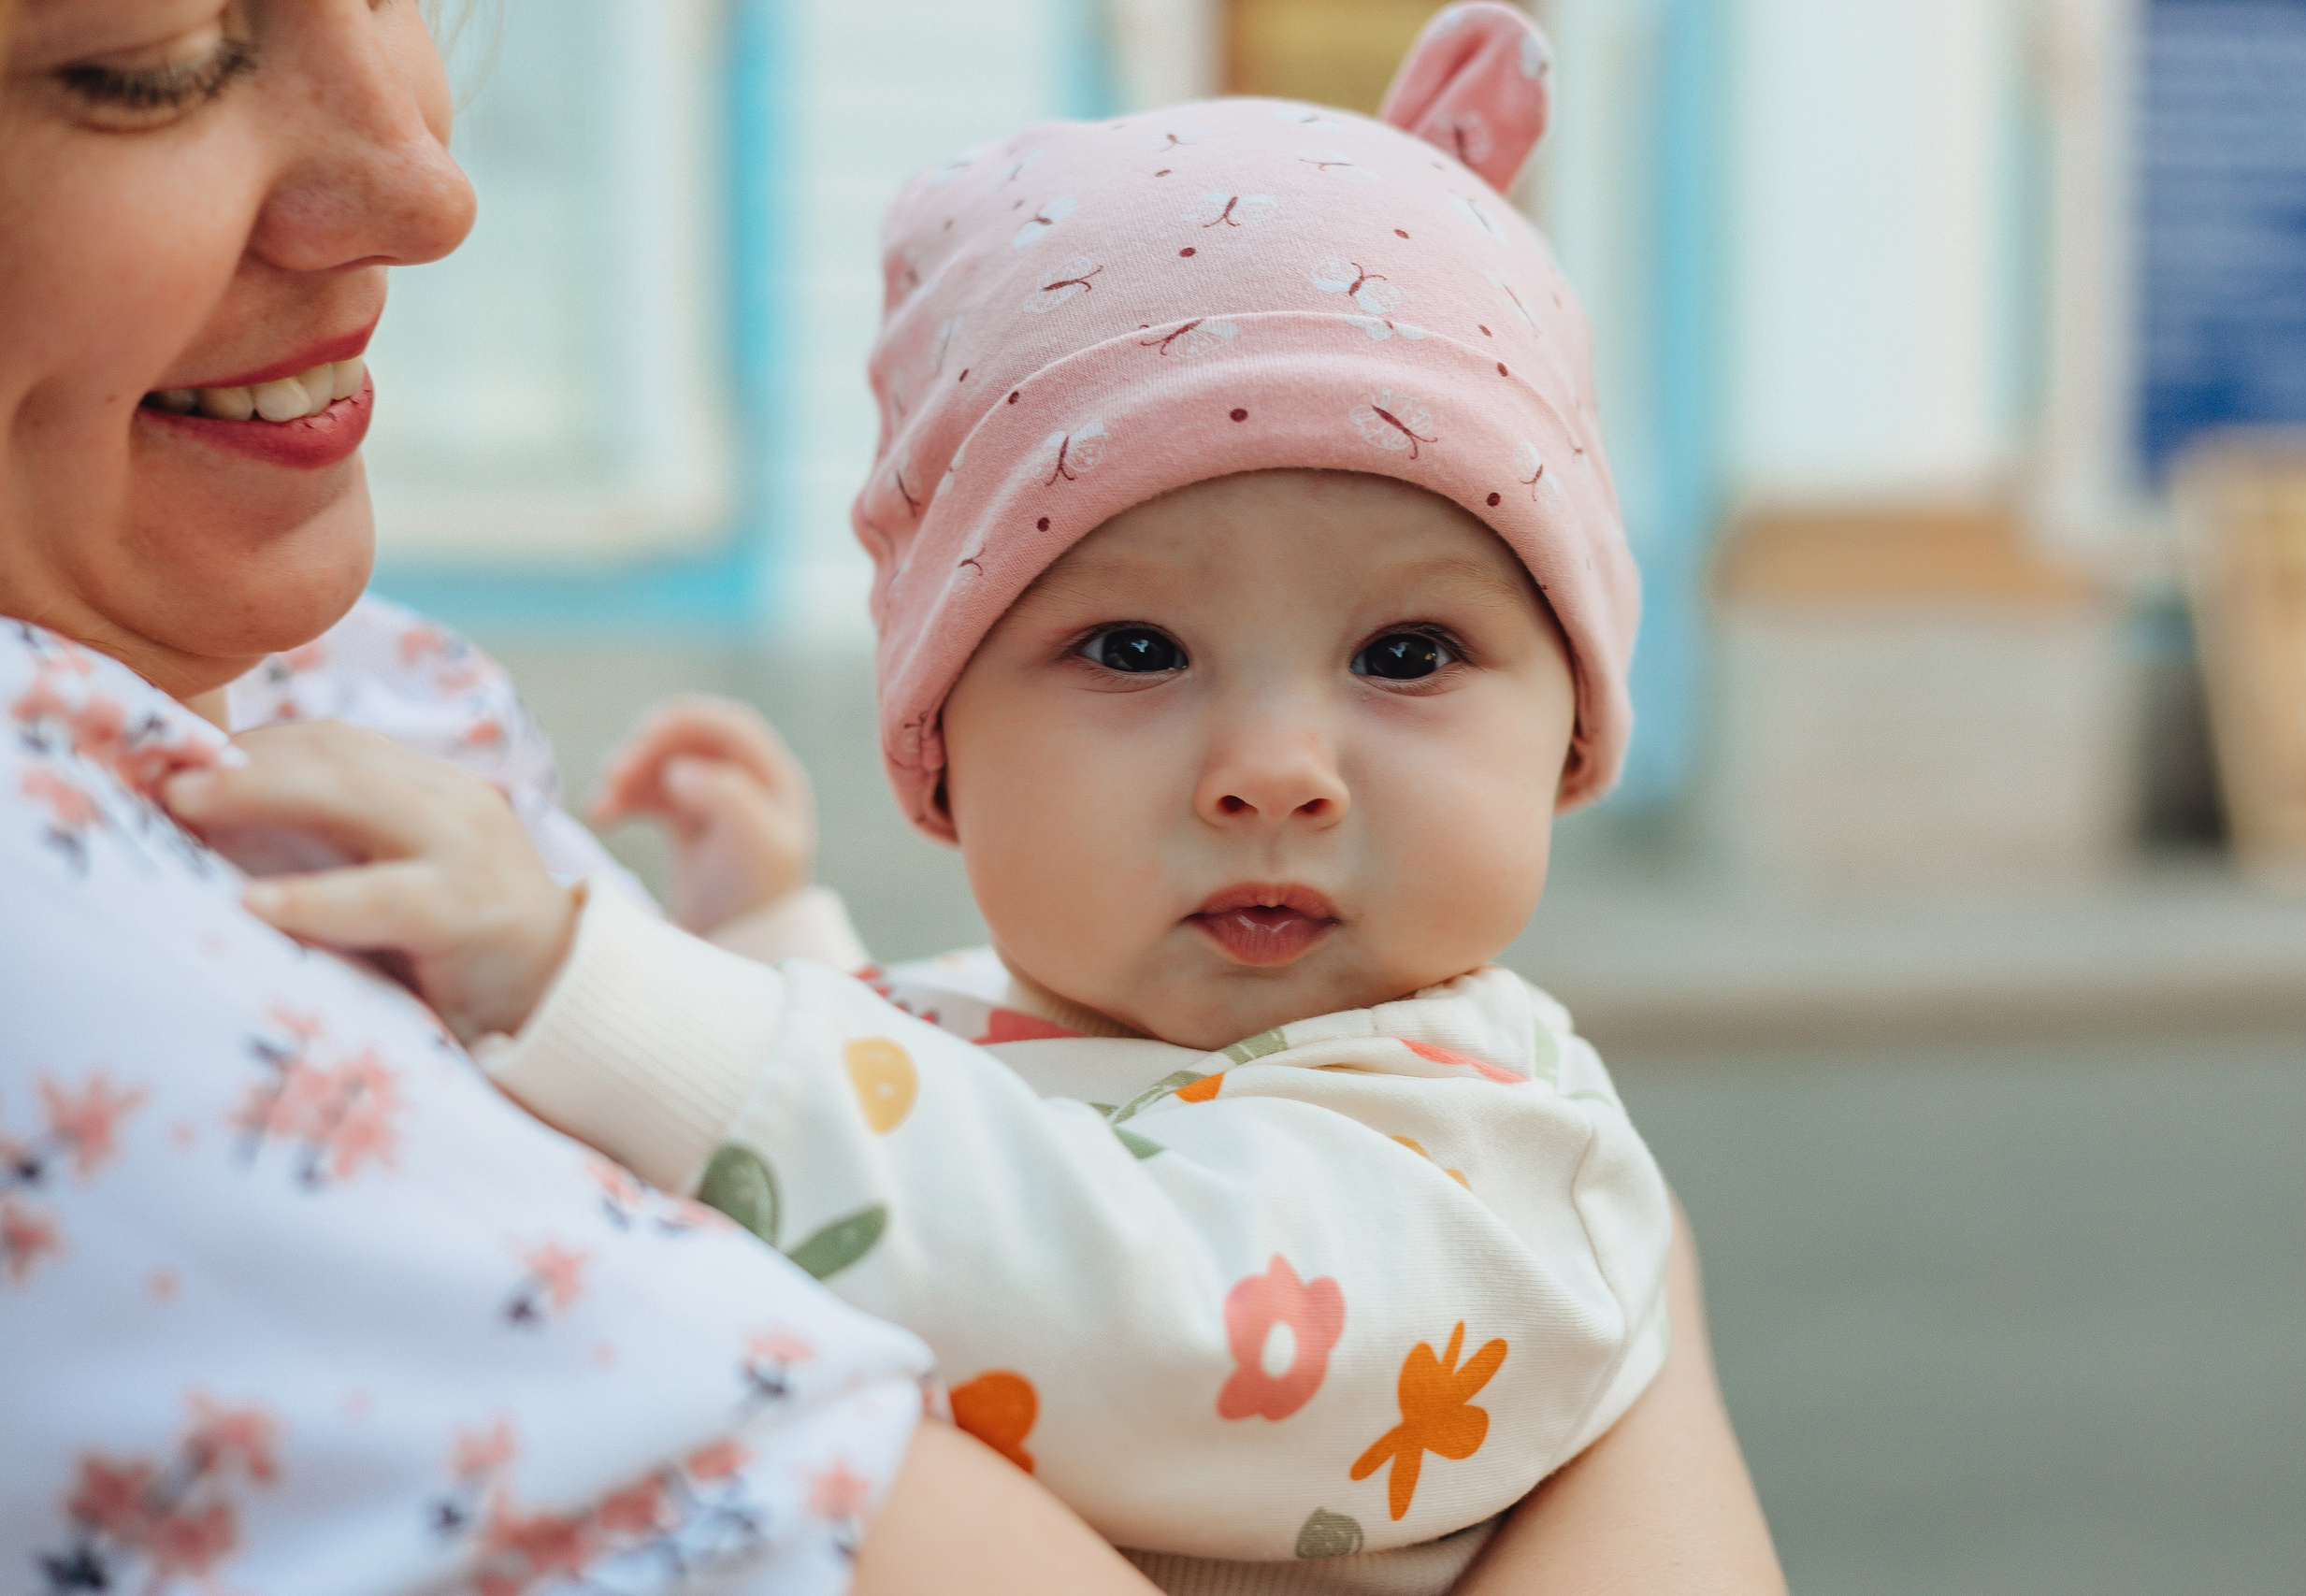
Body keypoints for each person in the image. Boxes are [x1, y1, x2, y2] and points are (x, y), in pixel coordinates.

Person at [173, 7, 1785, 1593]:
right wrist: (775, 938)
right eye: (1140, 648)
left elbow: (1115, 1299)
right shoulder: (1063, 1025)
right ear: (945, 733)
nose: (1275, 770)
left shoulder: (1485, 1158)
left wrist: (600, 987)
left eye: (1409, 650)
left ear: (1576, 717)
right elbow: (944, 1123)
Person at [0, 2, 1167, 1589]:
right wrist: (1611, 1314)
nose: (433, 193)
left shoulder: (288, 664)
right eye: (156, 57)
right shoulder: (57, 946)